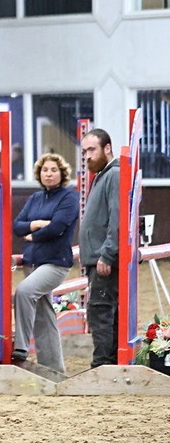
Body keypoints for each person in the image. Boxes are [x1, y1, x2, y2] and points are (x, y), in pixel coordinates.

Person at [11, 153, 78, 373]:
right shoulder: (35, 198)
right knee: (43, 314)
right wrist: (37, 224)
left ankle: (20, 347)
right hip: (32, 262)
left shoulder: (69, 198)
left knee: (24, 292)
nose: (48, 174)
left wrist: (33, 235)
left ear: (62, 173)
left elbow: (57, 228)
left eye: (53, 170)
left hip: (55, 263)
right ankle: (54, 370)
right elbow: (17, 226)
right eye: (45, 170)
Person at [79, 129, 121, 368]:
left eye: (92, 150)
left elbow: (117, 218)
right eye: (84, 151)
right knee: (103, 311)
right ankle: (107, 362)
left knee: (100, 311)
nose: (87, 156)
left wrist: (107, 253)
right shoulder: (103, 175)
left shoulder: (113, 174)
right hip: (97, 258)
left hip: (103, 259)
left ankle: (102, 364)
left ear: (107, 148)